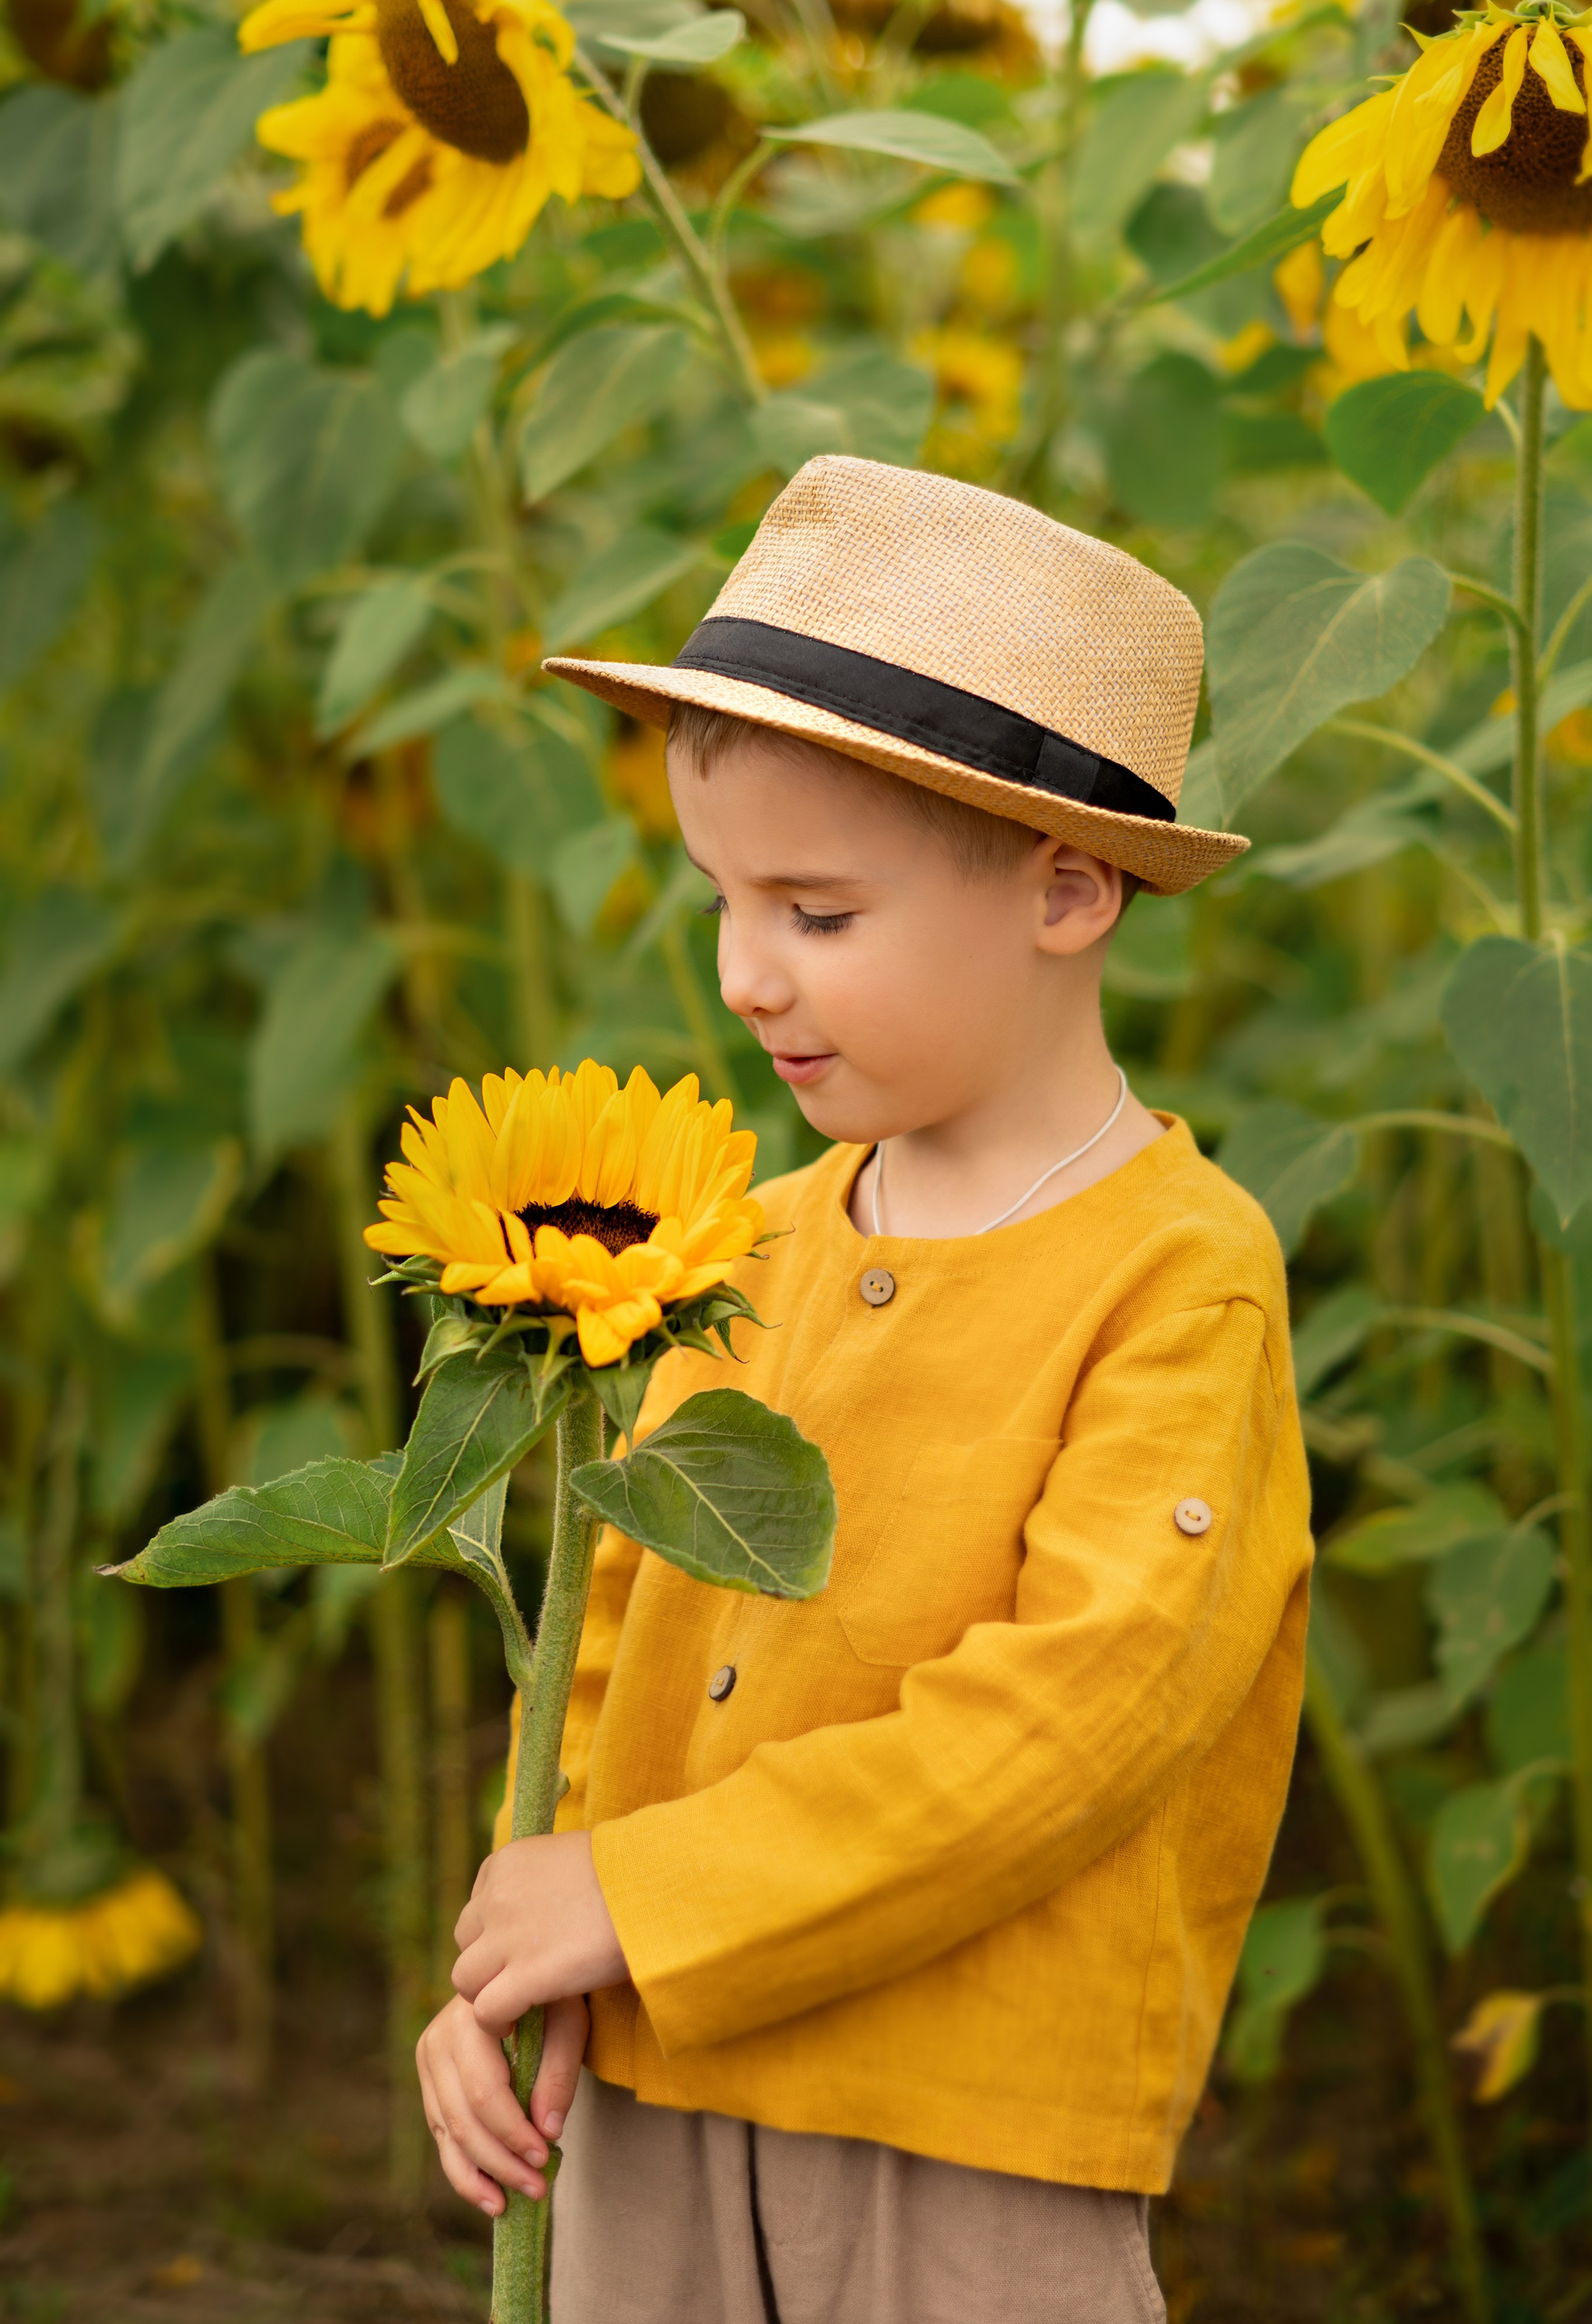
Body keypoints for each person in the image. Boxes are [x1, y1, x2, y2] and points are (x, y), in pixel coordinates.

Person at [415, 456, 1314, 2322]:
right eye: (724, 903)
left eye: (818, 915)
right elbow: (601, 1641)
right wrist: (517, 1948)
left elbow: (1074, 1720)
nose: (747, 977)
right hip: (646, 2081)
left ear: (1067, 891)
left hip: (967, 2121)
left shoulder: (1177, 1273)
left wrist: (652, 1896)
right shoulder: (736, 1243)